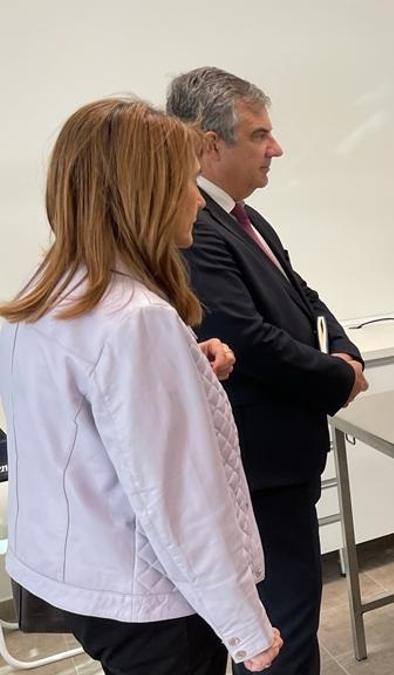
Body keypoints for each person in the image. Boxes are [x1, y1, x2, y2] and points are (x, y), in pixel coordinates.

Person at [0, 97, 282, 673]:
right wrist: (245, 627)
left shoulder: (47, 292)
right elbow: (179, 498)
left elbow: (77, 420)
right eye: (185, 181)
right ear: (143, 195)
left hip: (83, 578)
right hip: (155, 605)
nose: (198, 199)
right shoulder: (137, 320)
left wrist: (185, 367)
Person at [167, 67, 369, 674]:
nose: (274, 148)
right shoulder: (195, 225)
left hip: (284, 463)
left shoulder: (244, 219)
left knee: (290, 612)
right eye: (259, 135)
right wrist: (337, 378)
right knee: (280, 629)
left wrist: (344, 349)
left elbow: (303, 295)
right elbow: (247, 341)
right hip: (262, 471)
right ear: (209, 144)